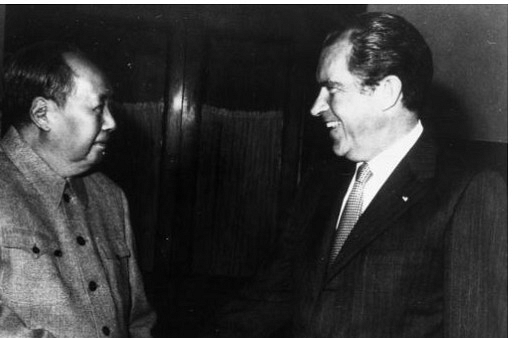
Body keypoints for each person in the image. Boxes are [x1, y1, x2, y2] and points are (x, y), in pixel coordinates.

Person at [205, 12, 506, 338]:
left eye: (332, 88)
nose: (316, 106)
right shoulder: (319, 183)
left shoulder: (469, 191)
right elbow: (270, 297)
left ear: (387, 91)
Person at [0, 41, 156, 338]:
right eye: (97, 108)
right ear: (42, 114)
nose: (111, 122)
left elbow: (138, 321)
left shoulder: (111, 197)